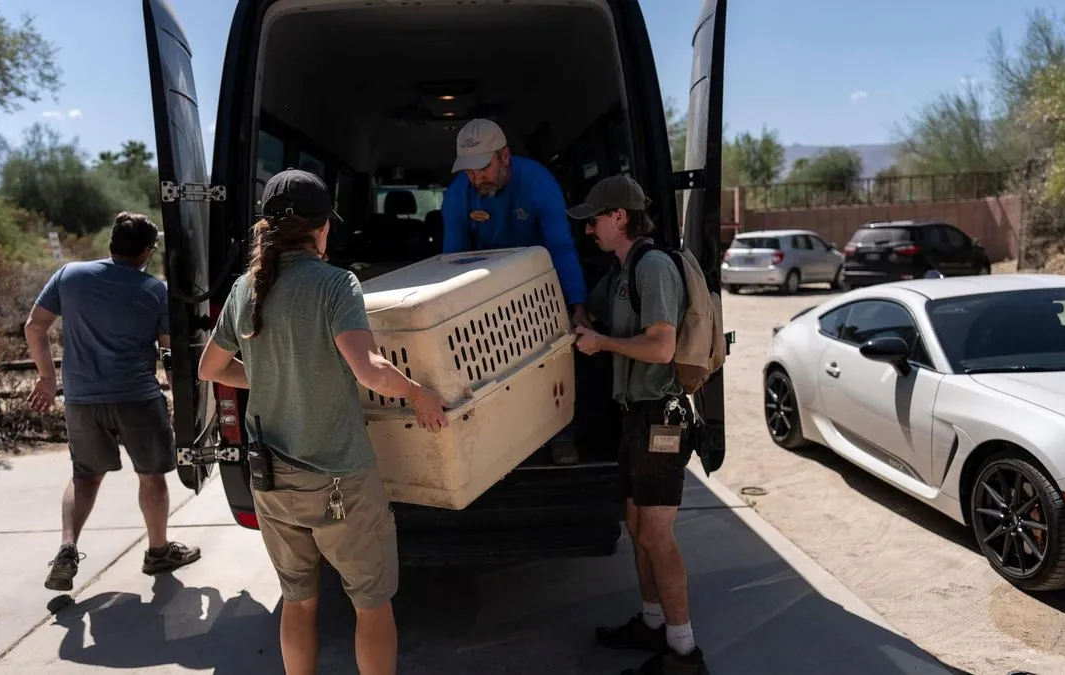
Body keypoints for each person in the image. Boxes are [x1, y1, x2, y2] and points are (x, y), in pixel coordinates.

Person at [197, 168, 449, 675]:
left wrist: (271, 378)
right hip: (339, 481)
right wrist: (420, 394)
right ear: (321, 229)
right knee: (371, 604)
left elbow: (211, 368)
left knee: (298, 601)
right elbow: (369, 369)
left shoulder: (246, 288)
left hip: (271, 481)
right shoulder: (337, 284)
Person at [567, 175, 705, 675]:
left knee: (657, 536)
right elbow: (595, 309)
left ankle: (685, 652)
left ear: (620, 217)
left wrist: (602, 344)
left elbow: (661, 347)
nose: (591, 230)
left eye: (596, 219)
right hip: (634, 417)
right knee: (637, 528)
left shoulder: (652, 268)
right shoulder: (622, 270)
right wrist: (583, 316)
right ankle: (651, 624)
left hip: (660, 418)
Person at [25, 212, 201, 592]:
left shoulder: (69, 276)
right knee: (150, 475)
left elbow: (34, 326)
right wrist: (183, 398)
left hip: (82, 399)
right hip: (137, 398)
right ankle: (158, 552)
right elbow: (169, 353)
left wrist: (47, 377)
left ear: (111, 243)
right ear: (147, 252)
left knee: (84, 476)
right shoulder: (155, 291)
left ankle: (68, 548)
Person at [441, 117, 590, 328]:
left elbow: (561, 248)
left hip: (537, 283)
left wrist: (577, 303)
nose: (476, 178)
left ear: (505, 156)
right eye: (469, 170)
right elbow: (454, 262)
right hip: (482, 287)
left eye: (483, 167)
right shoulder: (457, 196)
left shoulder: (540, 183)